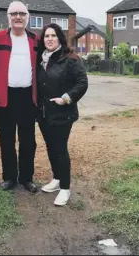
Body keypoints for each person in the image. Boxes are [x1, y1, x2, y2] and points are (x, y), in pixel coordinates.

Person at [0, 1, 39, 193]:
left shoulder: (35, 40)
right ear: (8, 17)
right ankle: (9, 177)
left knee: (28, 141)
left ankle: (26, 178)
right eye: (14, 13)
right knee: (6, 140)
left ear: (28, 17)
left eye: (22, 14)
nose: (18, 17)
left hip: (28, 96)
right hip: (4, 98)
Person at [36, 23, 88, 206]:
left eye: (53, 35)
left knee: (60, 149)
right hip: (43, 114)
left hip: (62, 113)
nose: (49, 39)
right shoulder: (40, 58)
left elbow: (82, 83)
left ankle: (65, 189)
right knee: (50, 147)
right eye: (46, 36)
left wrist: (66, 98)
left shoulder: (70, 58)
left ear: (60, 38)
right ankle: (57, 179)